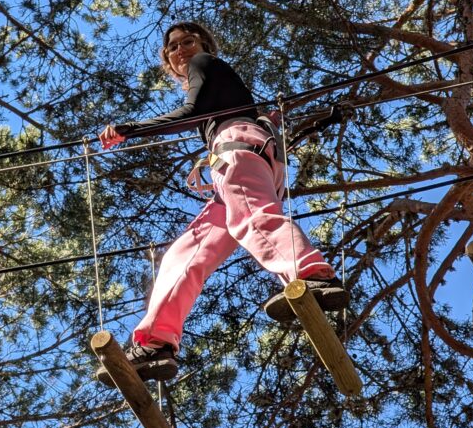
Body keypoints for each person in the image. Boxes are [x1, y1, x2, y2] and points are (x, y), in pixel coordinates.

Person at [95, 22, 347, 386]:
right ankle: (155, 342)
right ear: (168, 58)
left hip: (238, 153)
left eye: (188, 42)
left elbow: (190, 113)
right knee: (186, 255)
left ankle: (311, 274)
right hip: (243, 160)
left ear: (204, 46)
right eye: (173, 47)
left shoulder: (205, 65)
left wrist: (129, 129)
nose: (181, 49)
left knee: (253, 219)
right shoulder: (220, 83)